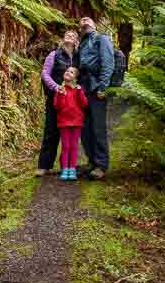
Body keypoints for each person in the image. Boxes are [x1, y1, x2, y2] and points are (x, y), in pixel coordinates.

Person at [35, 30, 79, 177]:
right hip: (56, 99)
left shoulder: (78, 57)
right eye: (67, 34)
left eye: (73, 36)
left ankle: (66, 166)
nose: (70, 36)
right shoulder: (54, 54)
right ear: (63, 38)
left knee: (70, 133)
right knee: (51, 131)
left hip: (73, 102)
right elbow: (45, 74)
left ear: (76, 41)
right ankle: (44, 166)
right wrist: (56, 87)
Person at [77, 17, 114, 180]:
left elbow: (108, 63)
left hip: (96, 89)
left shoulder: (102, 39)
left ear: (94, 25)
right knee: (85, 128)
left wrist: (103, 87)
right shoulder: (81, 45)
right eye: (81, 20)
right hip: (82, 90)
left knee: (98, 128)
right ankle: (92, 161)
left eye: (88, 19)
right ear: (80, 28)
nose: (84, 20)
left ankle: (101, 164)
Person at [53, 67, 88, 181]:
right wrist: (61, 94)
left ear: (76, 77)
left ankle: (72, 169)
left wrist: (80, 92)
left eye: (72, 72)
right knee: (65, 146)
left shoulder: (78, 89)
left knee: (74, 146)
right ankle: (65, 169)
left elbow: (84, 104)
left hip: (76, 122)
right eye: (67, 71)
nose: (68, 72)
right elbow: (57, 106)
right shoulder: (60, 89)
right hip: (64, 122)